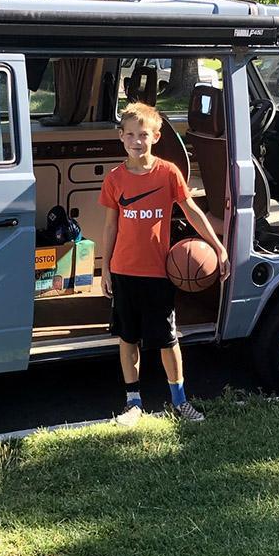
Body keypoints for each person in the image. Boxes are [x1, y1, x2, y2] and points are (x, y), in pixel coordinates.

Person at [99, 102, 230, 425]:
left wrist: (217, 245)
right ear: (121, 137)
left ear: (156, 136)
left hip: (159, 272)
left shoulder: (168, 173)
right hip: (124, 270)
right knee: (128, 338)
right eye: (130, 135)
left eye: (143, 134)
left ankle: (180, 401)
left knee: (168, 340)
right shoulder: (115, 179)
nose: (136, 141)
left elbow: (191, 212)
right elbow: (110, 226)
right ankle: (133, 403)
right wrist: (105, 268)